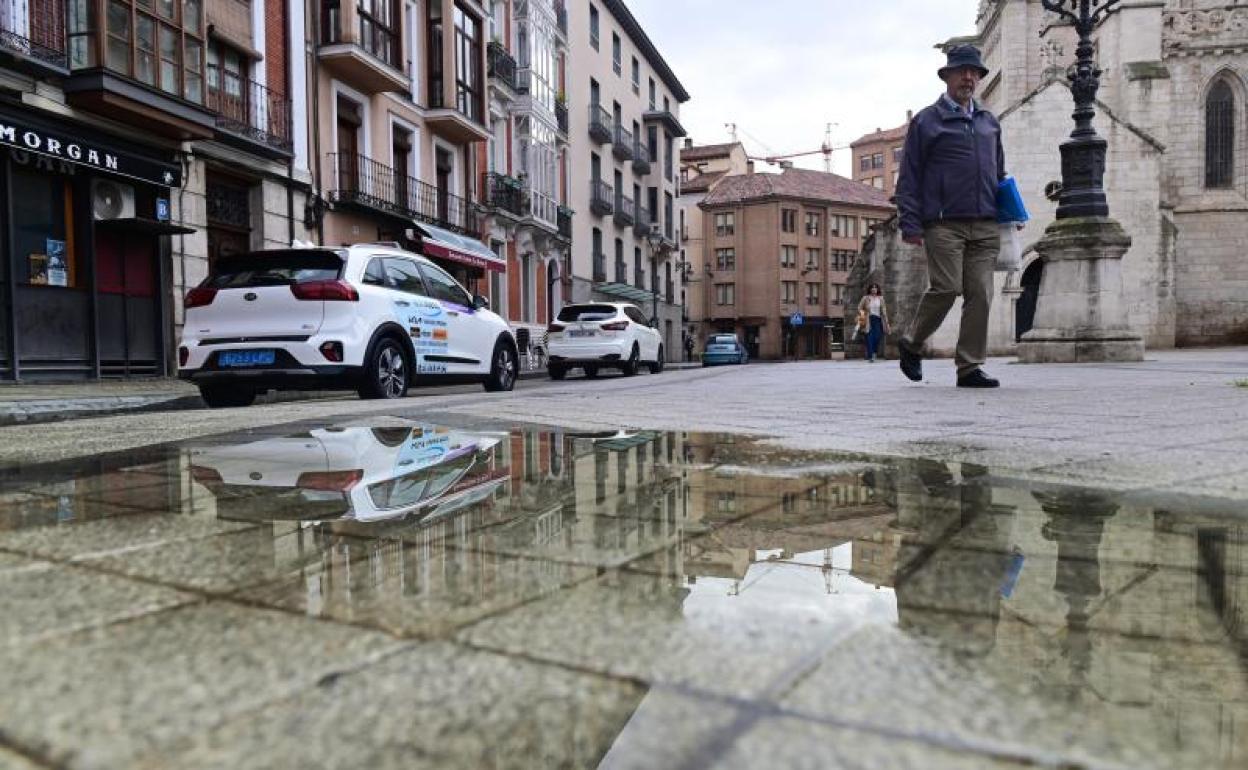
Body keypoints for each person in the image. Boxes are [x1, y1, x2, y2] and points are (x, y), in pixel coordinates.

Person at [894, 44, 1007, 389]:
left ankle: (969, 367)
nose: (969, 78)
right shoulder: (928, 120)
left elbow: (1000, 173)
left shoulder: (989, 122)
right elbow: (909, 176)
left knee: (981, 294)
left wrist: (1009, 213)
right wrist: (910, 222)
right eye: (962, 72)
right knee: (946, 288)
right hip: (943, 222)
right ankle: (912, 343)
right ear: (948, 76)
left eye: (975, 73)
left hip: (986, 222)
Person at [857, 283, 890, 362]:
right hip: (869, 319)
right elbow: (859, 308)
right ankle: (871, 356)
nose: (874, 289)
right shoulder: (865, 298)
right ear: (870, 289)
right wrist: (863, 316)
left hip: (878, 320)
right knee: (869, 338)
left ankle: (874, 352)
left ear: (878, 289)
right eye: (872, 288)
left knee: (877, 337)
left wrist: (887, 322)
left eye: (875, 288)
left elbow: (884, 311)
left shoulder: (881, 299)